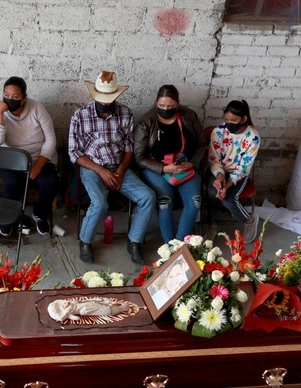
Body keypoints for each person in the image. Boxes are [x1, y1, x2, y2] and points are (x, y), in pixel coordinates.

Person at [68, 71, 154, 265]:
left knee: (147, 197)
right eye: (101, 98)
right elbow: (74, 153)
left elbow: (129, 148)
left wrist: (119, 172)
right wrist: (102, 171)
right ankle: (85, 241)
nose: (105, 103)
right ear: (94, 95)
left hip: (118, 167)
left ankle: (134, 242)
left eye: (109, 99)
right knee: (98, 203)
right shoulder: (80, 116)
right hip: (92, 167)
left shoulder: (125, 113)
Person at [0, 75, 58, 236]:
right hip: (10, 158)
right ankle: (8, 217)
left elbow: (51, 139)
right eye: (6, 95)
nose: (10, 99)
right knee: (12, 185)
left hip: (39, 157)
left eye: (15, 97)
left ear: (24, 98)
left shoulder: (36, 108)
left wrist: (39, 164)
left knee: (51, 182)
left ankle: (40, 213)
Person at [134, 84, 204, 244]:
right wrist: (164, 168)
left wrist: (192, 163)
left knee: (195, 201)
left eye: (170, 106)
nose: (166, 109)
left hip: (184, 164)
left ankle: (179, 244)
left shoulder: (189, 116)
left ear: (178, 104)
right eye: (161, 106)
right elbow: (139, 157)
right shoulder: (146, 122)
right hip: (155, 167)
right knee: (165, 201)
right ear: (155, 103)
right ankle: (168, 242)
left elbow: (201, 145)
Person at [207, 99, 261, 230]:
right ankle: (212, 225)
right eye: (227, 120)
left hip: (238, 173)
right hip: (219, 170)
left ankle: (249, 220)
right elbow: (214, 159)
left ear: (243, 119)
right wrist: (220, 177)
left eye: (233, 121)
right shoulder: (218, 131)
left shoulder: (252, 138)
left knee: (228, 199)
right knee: (211, 191)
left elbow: (243, 168)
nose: (229, 124)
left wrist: (227, 186)